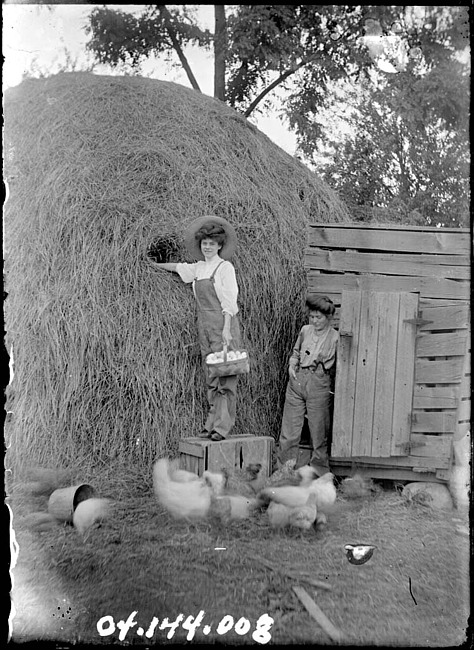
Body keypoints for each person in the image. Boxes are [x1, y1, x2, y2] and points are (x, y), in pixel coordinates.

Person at [150, 215, 241, 441]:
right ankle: (211, 424)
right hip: (204, 327)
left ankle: (222, 428)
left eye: (212, 243)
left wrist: (227, 329)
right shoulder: (199, 268)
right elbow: (178, 267)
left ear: (220, 245)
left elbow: (230, 300)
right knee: (211, 377)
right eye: (204, 243)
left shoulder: (224, 267)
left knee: (225, 378)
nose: (207, 247)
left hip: (222, 325)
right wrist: (153, 265)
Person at [277, 295, 339, 476]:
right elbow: (296, 351)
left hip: (319, 383)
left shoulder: (335, 337)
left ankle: (318, 473)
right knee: (289, 429)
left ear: (329, 318)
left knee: (318, 431)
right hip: (297, 380)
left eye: (318, 317)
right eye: (311, 316)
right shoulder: (305, 330)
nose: (314, 321)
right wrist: (291, 365)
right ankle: (284, 469)